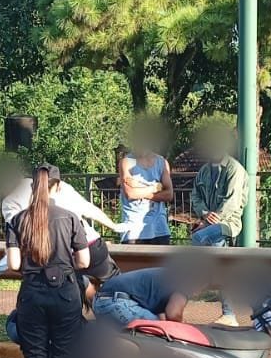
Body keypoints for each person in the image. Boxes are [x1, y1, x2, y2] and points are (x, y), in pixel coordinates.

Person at [6, 165, 90, 358]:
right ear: (57, 186)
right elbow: (84, 262)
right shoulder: (69, 218)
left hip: (32, 295)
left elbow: (14, 264)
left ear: (33, 187)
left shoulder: (18, 220)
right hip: (65, 294)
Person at [189, 125, 250, 325]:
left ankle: (200, 279)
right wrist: (205, 214)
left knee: (199, 238)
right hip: (210, 224)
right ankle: (228, 313)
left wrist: (205, 222)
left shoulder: (235, 169)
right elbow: (195, 196)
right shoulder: (204, 170)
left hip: (228, 224)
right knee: (220, 264)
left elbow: (231, 203)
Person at [118, 126, 173, 244]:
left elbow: (169, 195)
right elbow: (130, 194)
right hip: (133, 228)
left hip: (159, 228)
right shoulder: (127, 162)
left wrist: (139, 188)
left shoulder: (161, 162)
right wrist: (155, 187)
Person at [93, 266, 189, 328]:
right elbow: (173, 314)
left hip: (100, 302)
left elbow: (165, 314)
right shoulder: (186, 283)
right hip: (118, 303)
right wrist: (182, 325)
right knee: (159, 329)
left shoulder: (168, 275)